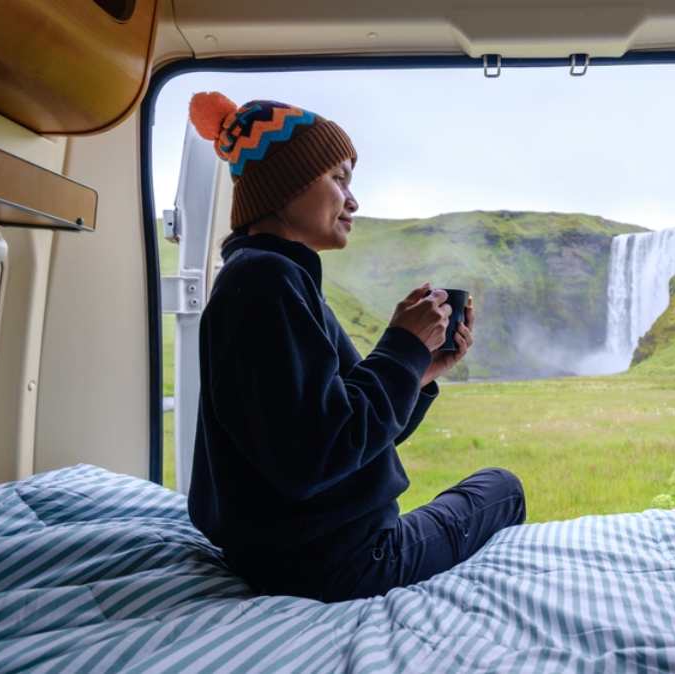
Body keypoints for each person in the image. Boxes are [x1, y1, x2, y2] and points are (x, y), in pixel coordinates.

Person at [184, 92, 526, 602]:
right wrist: (401, 348)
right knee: (504, 487)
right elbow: (317, 455)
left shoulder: (265, 278)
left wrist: (421, 368)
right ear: (286, 183)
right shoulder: (266, 282)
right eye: (338, 178)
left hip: (284, 550)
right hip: (340, 562)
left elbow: (348, 437)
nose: (353, 200)